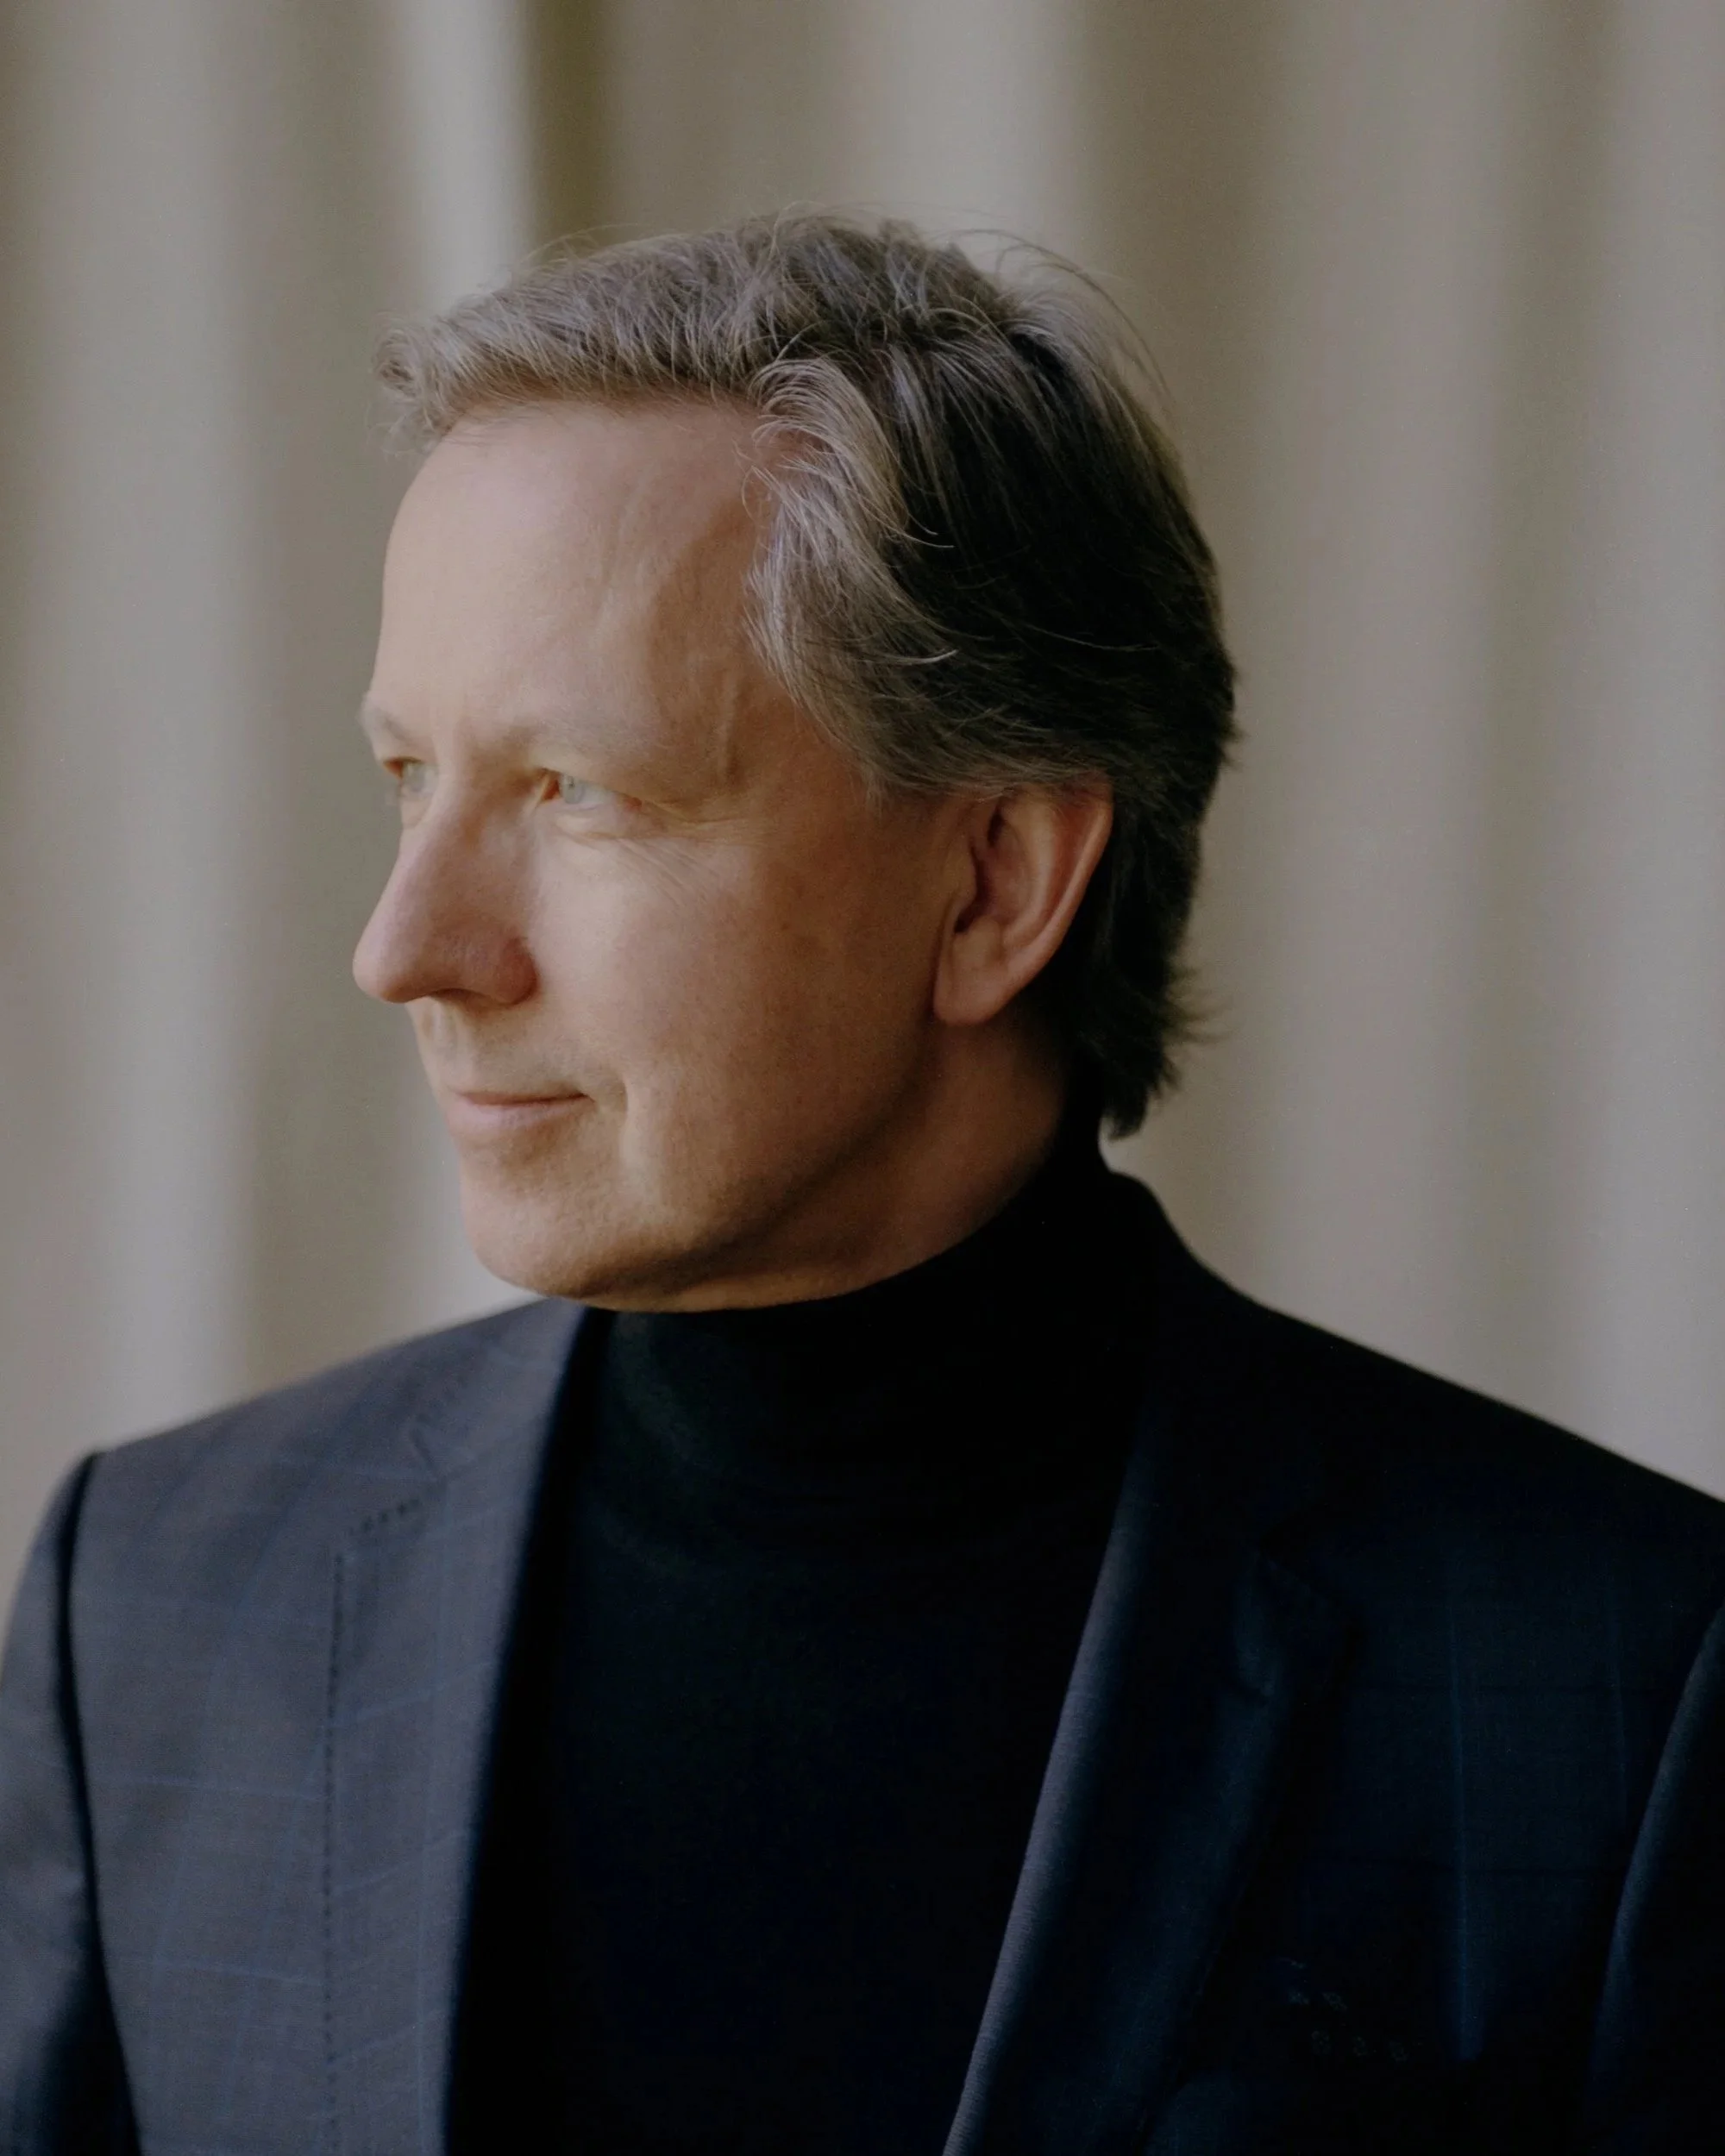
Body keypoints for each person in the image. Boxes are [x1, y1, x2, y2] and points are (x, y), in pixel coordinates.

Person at [1, 213, 1721, 2156]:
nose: (407, 947)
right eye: (412, 776)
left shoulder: (1620, 1694)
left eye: (579, 792)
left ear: (995, 884)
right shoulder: (149, 1605)